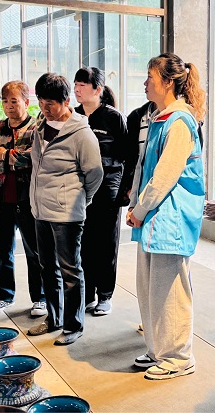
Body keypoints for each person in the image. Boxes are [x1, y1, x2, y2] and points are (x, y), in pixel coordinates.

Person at [126, 53, 205, 380]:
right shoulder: (162, 118)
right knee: (150, 289)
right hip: (154, 218)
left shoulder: (179, 121)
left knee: (170, 292)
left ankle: (178, 358)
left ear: (168, 82)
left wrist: (140, 209)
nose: (145, 82)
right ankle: (159, 350)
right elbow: (145, 169)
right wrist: (136, 205)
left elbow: (165, 175)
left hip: (170, 219)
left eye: (150, 76)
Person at [26, 73, 103, 346]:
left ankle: (73, 325)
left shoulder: (81, 133)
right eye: (41, 102)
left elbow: (95, 173)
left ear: (66, 101)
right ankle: (54, 318)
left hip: (67, 213)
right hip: (40, 209)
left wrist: (81, 198)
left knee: (70, 270)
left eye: (51, 103)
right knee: (47, 267)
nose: (45, 108)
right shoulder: (40, 126)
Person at [0, 80, 45, 318]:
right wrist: (13, 160)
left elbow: (36, 159)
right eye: (5, 101)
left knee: (35, 252)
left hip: (28, 199)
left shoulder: (37, 128)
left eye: (14, 101)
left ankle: (40, 298)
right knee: (2, 251)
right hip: (0, 199)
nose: (9, 105)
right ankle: (4, 296)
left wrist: (5, 155)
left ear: (26, 102)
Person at [73, 67, 128, 316]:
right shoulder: (73, 116)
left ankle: (105, 295)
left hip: (107, 189)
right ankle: (87, 295)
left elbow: (127, 156)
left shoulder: (113, 117)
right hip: (79, 189)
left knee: (106, 243)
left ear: (98, 89)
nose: (77, 89)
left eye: (82, 85)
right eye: (75, 84)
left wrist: (125, 191)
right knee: (83, 242)